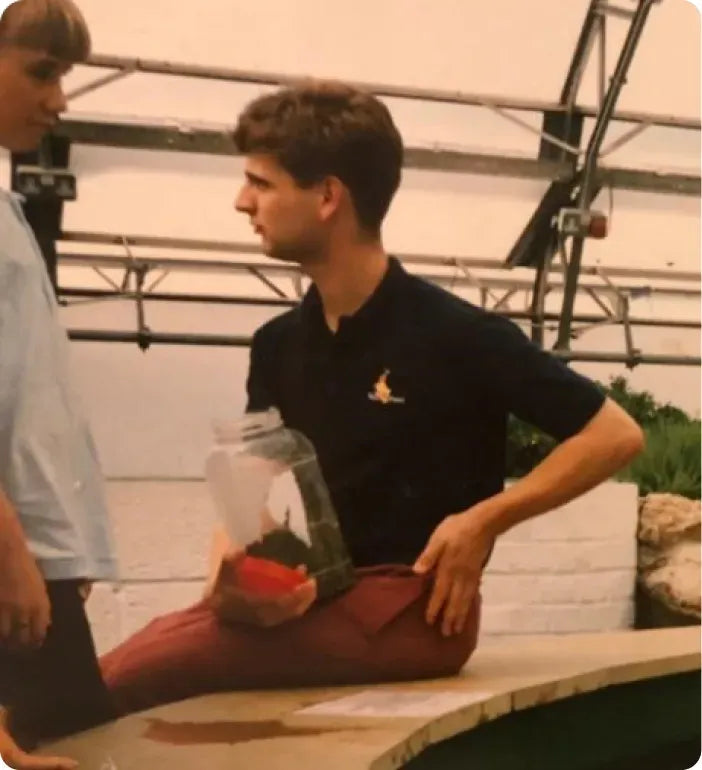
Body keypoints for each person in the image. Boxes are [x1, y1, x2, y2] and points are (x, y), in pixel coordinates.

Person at [98, 80, 644, 714]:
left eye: (263, 184)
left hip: (415, 610)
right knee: (167, 643)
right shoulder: (277, 344)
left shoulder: (456, 332)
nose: (242, 202)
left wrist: (482, 521)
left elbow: (614, 435)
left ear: (328, 196)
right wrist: (227, 578)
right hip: (325, 598)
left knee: (144, 670)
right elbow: (246, 488)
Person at [0, 1, 118, 768]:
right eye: (41, 71)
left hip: (35, 561)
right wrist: (14, 556)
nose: (60, 99)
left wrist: (65, 553)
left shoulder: (9, 215)